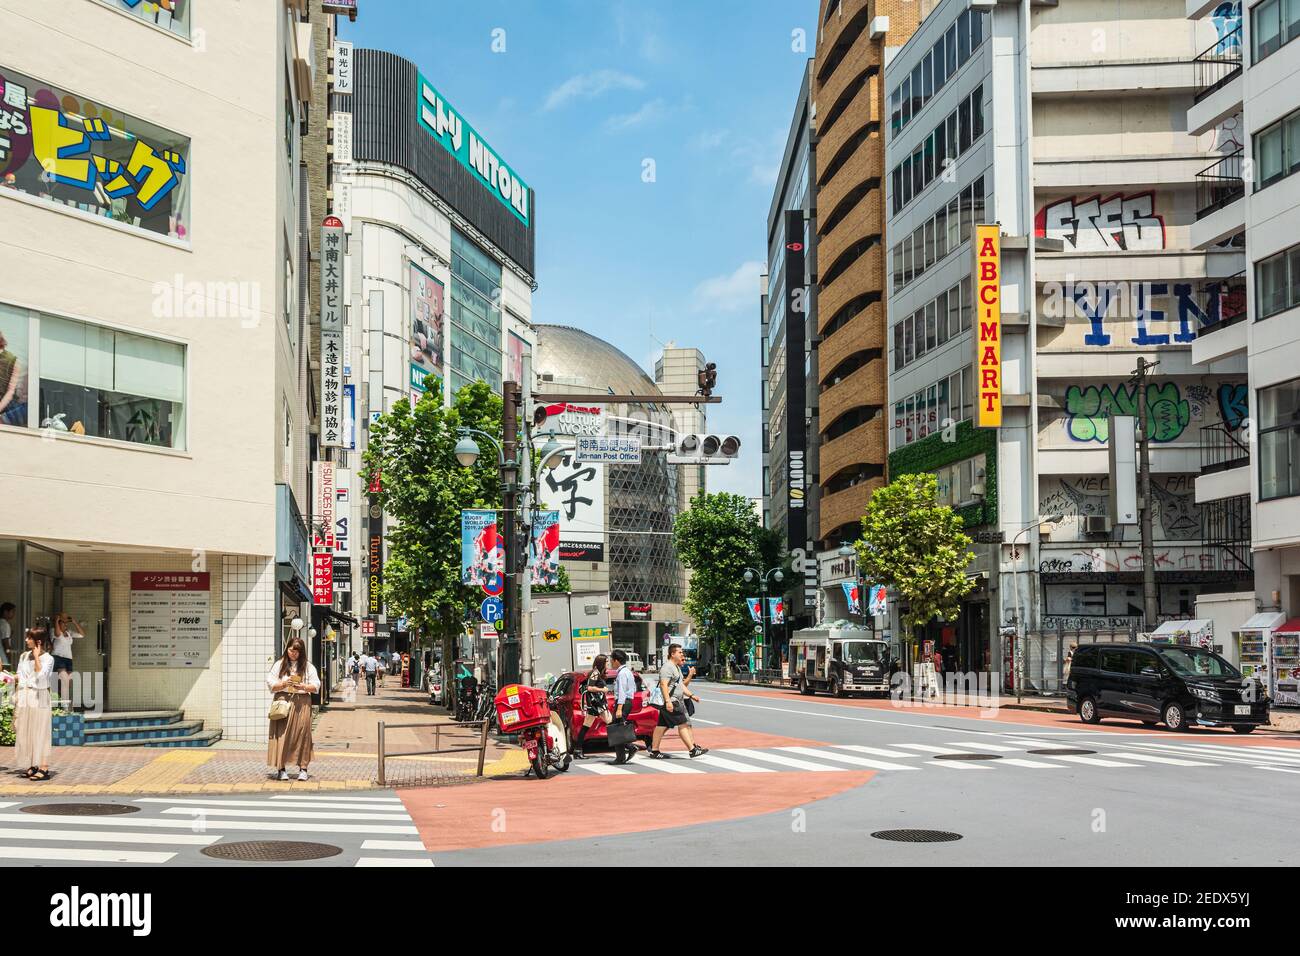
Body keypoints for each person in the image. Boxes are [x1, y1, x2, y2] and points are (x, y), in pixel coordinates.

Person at [266, 636, 320, 781]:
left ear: (301, 652)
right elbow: (270, 684)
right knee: (282, 735)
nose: (293, 654)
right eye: (291, 650)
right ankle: (281, 769)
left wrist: (303, 686)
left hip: (302, 702)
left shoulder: (308, 666)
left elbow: (316, 686)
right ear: (287, 649)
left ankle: (303, 768)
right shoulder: (279, 664)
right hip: (283, 701)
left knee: (303, 735)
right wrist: (284, 684)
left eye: (297, 651)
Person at [647, 643, 708, 759]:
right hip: (672, 701)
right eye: (680, 652)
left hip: (674, 700)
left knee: (661, 726)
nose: (682, 654)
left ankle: (654, 751)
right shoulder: (667, 667)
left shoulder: (676, 667)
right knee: (683, 724)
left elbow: (680, 685)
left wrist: (691, 695)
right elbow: (664, 685)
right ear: (672, 654)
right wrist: (668, 701)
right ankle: (692, 749)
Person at [15, 626, 53, 781]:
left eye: (29, 638)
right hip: (26, 696)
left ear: (38, 642)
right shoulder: (24, 656)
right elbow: (19, 675)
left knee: (41, 731)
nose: (26, 640)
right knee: (27, 731)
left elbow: (42, 677)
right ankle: (33, 764)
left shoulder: (48, 658)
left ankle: (44, 767)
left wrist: (37, 657)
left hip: (40, 696)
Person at [572, 654, 612, 759]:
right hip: (596, 705)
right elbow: (589, 688)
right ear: (602, 663)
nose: (608, 664)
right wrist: (602, 690)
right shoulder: (595, 673)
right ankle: (623, 745)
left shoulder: (598, 673)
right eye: (606, 662)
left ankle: (577, 750)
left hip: (597, 705)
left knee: (586, 727)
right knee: (612, 724)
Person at [50, 613, 85, 708]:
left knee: (67, 683)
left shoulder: (69, 633)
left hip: (68, 659)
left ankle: (61, 704)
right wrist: (57, 621)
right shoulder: (54, 630)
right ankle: (64, 707)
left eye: (66, 624)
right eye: (63, 623)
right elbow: (57, 634)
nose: (65, 625)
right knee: (64, 680)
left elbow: (82, 635)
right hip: (58, 658)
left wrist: (74, 622)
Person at [610, 649, 638, 765]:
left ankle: (628, 749)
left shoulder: (621, 673)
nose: (611, 662)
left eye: (612, 660)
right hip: (628, 701)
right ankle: (622, 755)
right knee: (618, 727)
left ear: (616, 660)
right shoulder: (628, 672)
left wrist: (620, 707)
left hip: (623, 702)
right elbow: (634, 689)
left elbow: (622, 691)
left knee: (616, 728)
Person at [0, 602, 14, 670]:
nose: (13, 614)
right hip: (3, 658)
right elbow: (5, 642)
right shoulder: (5, 625)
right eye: (12, 612)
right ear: (5, 612)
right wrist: (9, 657)